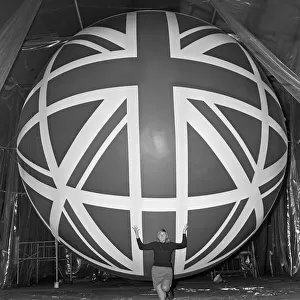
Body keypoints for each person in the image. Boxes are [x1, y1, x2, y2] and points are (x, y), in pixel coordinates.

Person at [132, 224, 188, 300]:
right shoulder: (154, 244)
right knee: (162, 298)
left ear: (166, 236)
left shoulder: (170, 245)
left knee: (165, 288)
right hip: (156, 271)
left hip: (167, 271)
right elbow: (141, 247)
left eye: (163, 234)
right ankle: (166, 295)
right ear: (158, 236)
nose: (162, 236)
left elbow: (183, 245)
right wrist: (137, 235)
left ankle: (169, 291)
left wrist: (184, 232)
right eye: (160, 234)